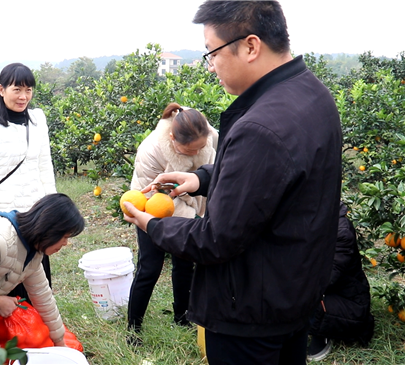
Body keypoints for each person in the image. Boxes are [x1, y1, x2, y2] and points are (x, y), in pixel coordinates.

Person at [122, 1, 342, 364]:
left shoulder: (260, 126)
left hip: (250, 312)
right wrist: (199, 179)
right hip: (293, 292)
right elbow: (272, 184)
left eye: (212, 52)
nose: (211, 66)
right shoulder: (313, 95)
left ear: (251, 46)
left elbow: (215, 240)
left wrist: (152, 225)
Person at [127, 103, 218, 336]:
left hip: (193, 208)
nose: (197, 154)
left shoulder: (208, 136)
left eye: (201, 149)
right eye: (189, 151)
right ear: (172, 138)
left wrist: (201, 216)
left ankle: (182, 316)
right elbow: (152, 194)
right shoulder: (151, 150)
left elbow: (214, 176)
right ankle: (133, 327)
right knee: (150, 267)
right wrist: (196, 223)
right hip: (151, 208)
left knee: (185, 264)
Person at [0, 193, 85, 354]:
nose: (66, 243)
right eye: (65, 237)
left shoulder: (33, 251)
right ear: (51, 229)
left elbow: (43, 297)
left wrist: (60, 344)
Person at [0, 63, 57, 303]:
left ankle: (40, 334)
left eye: (29, 90)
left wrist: (52, 210)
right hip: (7, 220)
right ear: (1, 90)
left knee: (38, 281)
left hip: (36, 215)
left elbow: (45, 166)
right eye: (17, 89)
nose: (24, 96)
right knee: (10, 286)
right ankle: (13, 336)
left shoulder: (37, 120)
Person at [306, 202, 375, 361]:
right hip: (331, 293)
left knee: (301, 295)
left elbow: (328, 277)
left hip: (349, 303)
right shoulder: (313, 220)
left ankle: (323, 334)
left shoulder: (340, 231)